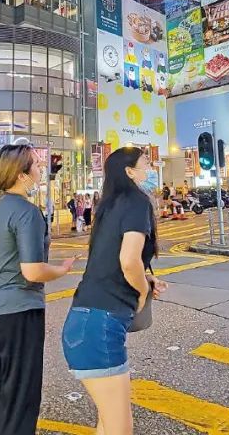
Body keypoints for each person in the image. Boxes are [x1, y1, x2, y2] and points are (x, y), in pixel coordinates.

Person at [0, 143, 77, 435]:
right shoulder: (27, 212)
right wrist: (61, 270)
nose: (40, 169)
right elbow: (32, 270)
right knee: (20, 397)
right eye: (36, 165)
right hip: (18, 313)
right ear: (22, 175)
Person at [61, 147, 167, 435]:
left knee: (108, 424)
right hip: (101, 326)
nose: (151, 168)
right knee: (120, 428)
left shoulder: (109, 205)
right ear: (129, 171)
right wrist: (143, 290)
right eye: (146, 163)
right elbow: (128, 259)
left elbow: (110, 260)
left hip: (85, 320)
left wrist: (144, 276)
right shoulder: (136, 202)